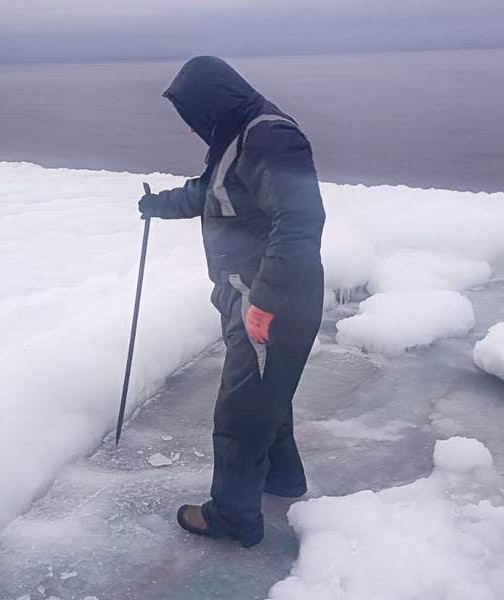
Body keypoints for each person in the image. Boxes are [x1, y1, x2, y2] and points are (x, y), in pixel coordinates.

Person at [138, 56, 325, 548]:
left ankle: (234, 517)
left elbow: (301, 222)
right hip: (249, 296)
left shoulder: (271, 137)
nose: (193, 122)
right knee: (265, 398)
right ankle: (282, 479)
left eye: (193, 110)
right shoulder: (240, 136)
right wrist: (160, 205)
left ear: (214, 100)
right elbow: (212, 193)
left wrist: (265, 301)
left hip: (271, 303)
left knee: (241, 413)